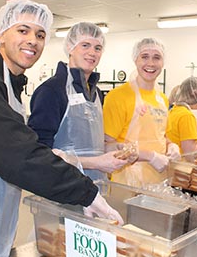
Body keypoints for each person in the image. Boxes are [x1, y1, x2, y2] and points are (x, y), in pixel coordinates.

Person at [0, 0, 123, 257]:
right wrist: (86, 193)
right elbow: (17, 154)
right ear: (2, 34)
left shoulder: (12, 85)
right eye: (23, 30)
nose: (33, 40)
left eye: (40, 34)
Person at [28, 22, 128, 181]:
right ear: (70, 47)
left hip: (94, 187)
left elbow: (88, 144)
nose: (92, 53)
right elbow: (39, 153)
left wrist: (114, 149)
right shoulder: (52, 91)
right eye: (85, 45)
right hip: (61, 189)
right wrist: (95, 163)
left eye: (97, 48)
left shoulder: (97, 94)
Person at [103, 38, 181, 187]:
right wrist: (148, 156)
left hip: (158, 180)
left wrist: (172, 146)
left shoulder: (162, 99)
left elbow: (162, 136)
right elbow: (107, 146)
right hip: (126, 182)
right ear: (135, 60)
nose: (150, 63)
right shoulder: (118, 96)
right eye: (144, 57)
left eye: (156, 57)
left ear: (163, 63)